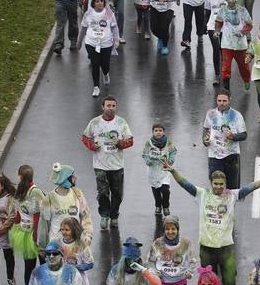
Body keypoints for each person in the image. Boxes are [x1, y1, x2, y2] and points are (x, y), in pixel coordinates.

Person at [165, 162, 260, 285]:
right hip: (207, 249)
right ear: (211, 183)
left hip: (226, 248)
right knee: (209, 282)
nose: (218, 186)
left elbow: (249, 188)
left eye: (221, 184)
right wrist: (173, 172)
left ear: (225, 184)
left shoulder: (232, 195)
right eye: (216, 183)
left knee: (230, 282)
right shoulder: (202, 194)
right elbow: (185, 184)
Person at [82, 96, 133, 230]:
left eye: (113, 106)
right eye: (108, 106)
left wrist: (120, 143)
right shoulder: (94, 123)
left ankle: (114, 216)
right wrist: (92, 146)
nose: (111, 108)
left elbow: (130, 141)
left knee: (117, 193)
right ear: (103, 107)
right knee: (103, 192)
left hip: (117, 165)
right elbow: (85, 137)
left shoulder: (121, 123)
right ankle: (104, 215)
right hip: (100, 165)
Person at [37, 162, 93, 252]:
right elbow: (44, 225)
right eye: (72, 176)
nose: (75, 178)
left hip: (76, 245)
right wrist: (42, 247)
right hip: (56, 248)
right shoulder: (49, 199)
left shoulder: (78, 194)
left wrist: (88, 235)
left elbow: (86, 216)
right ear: (65, 179)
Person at [77, 0, 120, 97]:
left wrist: (116, 40)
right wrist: (79, 41)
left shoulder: (109, 13)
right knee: (95, 63)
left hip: (106, 43)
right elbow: (83, 28)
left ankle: (105, 74)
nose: (100, 3)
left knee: (105, 65)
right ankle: (96, 87)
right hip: (91, 42)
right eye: (97, 1)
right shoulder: (88, 14)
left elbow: (114, 27)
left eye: (101, 1)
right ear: (93, 3)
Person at [9, 165, 43, 285]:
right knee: (30, 268)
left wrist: (35, 236)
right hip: (27, 234)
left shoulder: (33, 191)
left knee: (43, 267)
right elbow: (19, 213)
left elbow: (38, 215)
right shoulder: (22, 190)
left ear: (20, 176)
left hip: (35, 235)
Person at [203, 92, 247, 190]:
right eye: (219, 101)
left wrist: (233, 136)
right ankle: (219, 205)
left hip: (231, 155)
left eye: (224, 101)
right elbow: (206, 130)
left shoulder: (236, 115)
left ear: (229, 100)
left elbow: (244, 135)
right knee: (216, 187)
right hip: (214, 155)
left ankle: (230, 205)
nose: (221, 103)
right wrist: (205, 140)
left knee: (232, 190)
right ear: (216, 100)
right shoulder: (211, 114)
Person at [141, 123, 177, 217]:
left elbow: (173, 151)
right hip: (153, 170)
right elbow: (144, 154)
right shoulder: (149, 143)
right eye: (156, 130)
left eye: (160, 130)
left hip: (164, 170)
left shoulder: (168, 142)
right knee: (156, 190)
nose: (158, 132)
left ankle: (166, 206)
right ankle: (158, 205)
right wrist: (147, 160)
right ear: (153, 132)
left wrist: (171, 160)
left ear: (163, 132)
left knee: (165, 190)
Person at [0, 173, 16, 285]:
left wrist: (1, 229)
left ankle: (10, 277)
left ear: (2, 186)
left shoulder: (9, 198)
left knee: (9, 258)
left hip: (6, 235)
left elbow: (12, 216)